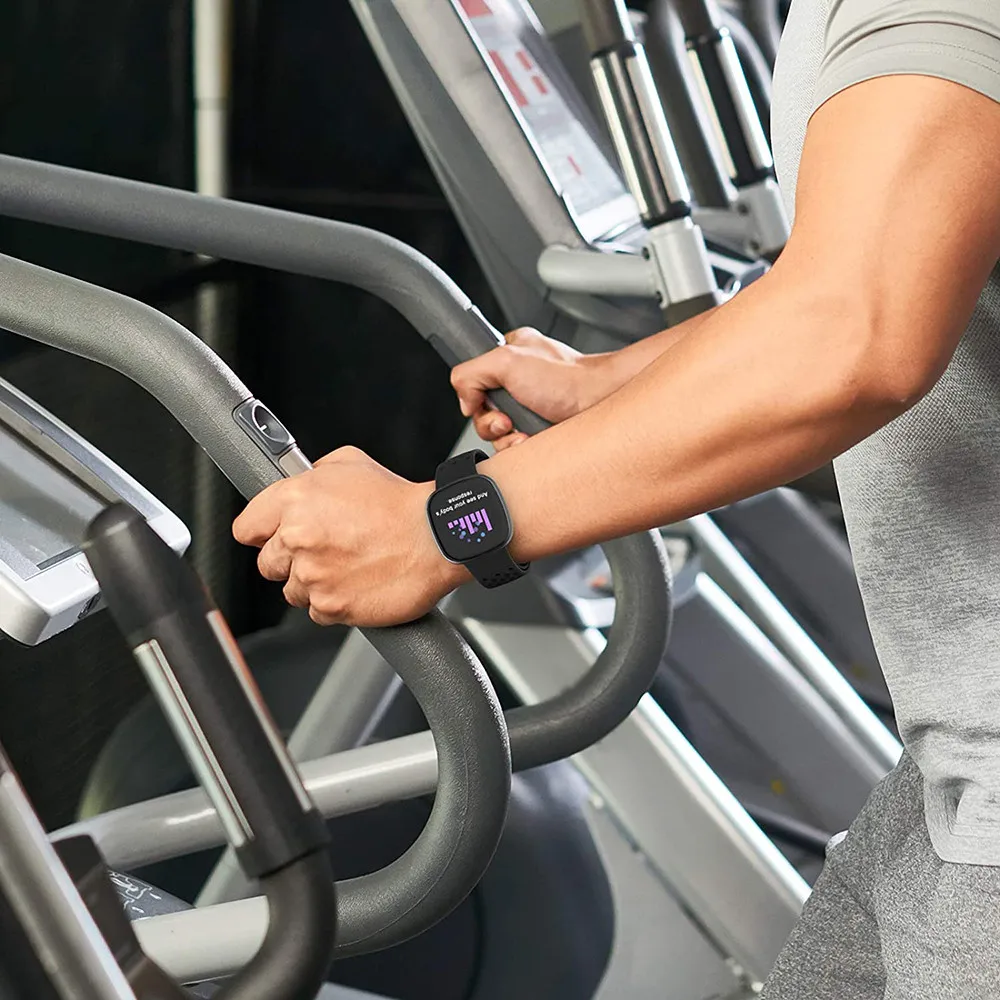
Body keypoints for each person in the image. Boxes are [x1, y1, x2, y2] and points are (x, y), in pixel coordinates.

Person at [233, 2, 1000, 995]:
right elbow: (881, 270)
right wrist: (613, 382)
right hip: (950, 767)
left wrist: (444, 528)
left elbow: (852, 334)